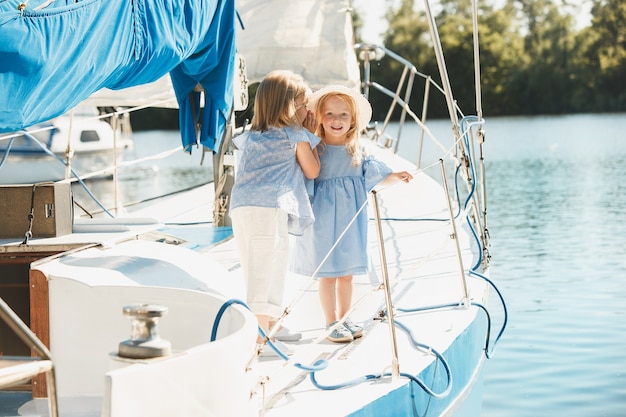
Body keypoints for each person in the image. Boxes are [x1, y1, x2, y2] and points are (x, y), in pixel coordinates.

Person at [291, 85, 413, 343]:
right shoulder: (316, 149)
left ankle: (345, 317)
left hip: (349, 221)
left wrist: (395, 176)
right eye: (330, 114)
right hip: (323, 221)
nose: (337, 120)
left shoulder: (356, 152)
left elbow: (375, 177)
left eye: (343, 115)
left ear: (353, 120)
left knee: (346, 273)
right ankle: (330, 321)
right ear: (320, 118)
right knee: (328, 273)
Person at [230, 70, 321, 355]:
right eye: (305, 104)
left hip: (243, 207)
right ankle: (260, 340)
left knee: (255, 267)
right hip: (268, 210)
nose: (309, 109)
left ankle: (271, 324)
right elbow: (313, 170)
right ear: (289, 107)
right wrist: (313, 132)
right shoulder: (295, 135)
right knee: (269, 270)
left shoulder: (252, 136)